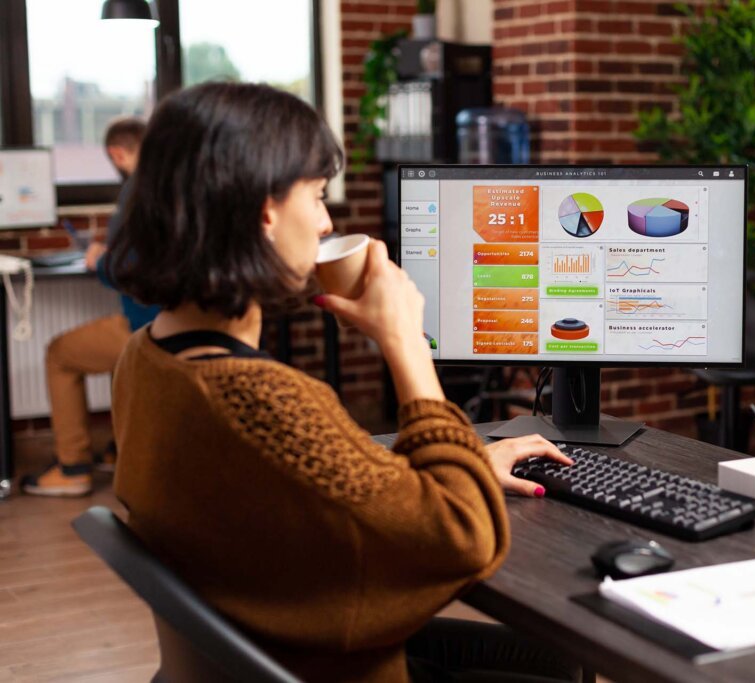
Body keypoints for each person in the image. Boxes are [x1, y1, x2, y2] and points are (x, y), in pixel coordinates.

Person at [106, 82, 580, 682]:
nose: (328, 221)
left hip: (263, 650)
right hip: (325, 667)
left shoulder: (143, 360)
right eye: (319, 195)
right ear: (266, 210)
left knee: (548, 659)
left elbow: (332, 493)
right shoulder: (264, 403)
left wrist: (465, 465)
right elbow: (466, 537)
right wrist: (406, 342)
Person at [21, 117, 160, 497]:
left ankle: (73, 467)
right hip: (169, 316)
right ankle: (119, 449)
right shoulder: (169, 188)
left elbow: (127, 272)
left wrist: (100, 259)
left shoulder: (137, 194)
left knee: (59, 353)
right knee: (116, 358)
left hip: (148, 325)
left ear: (117, 153)